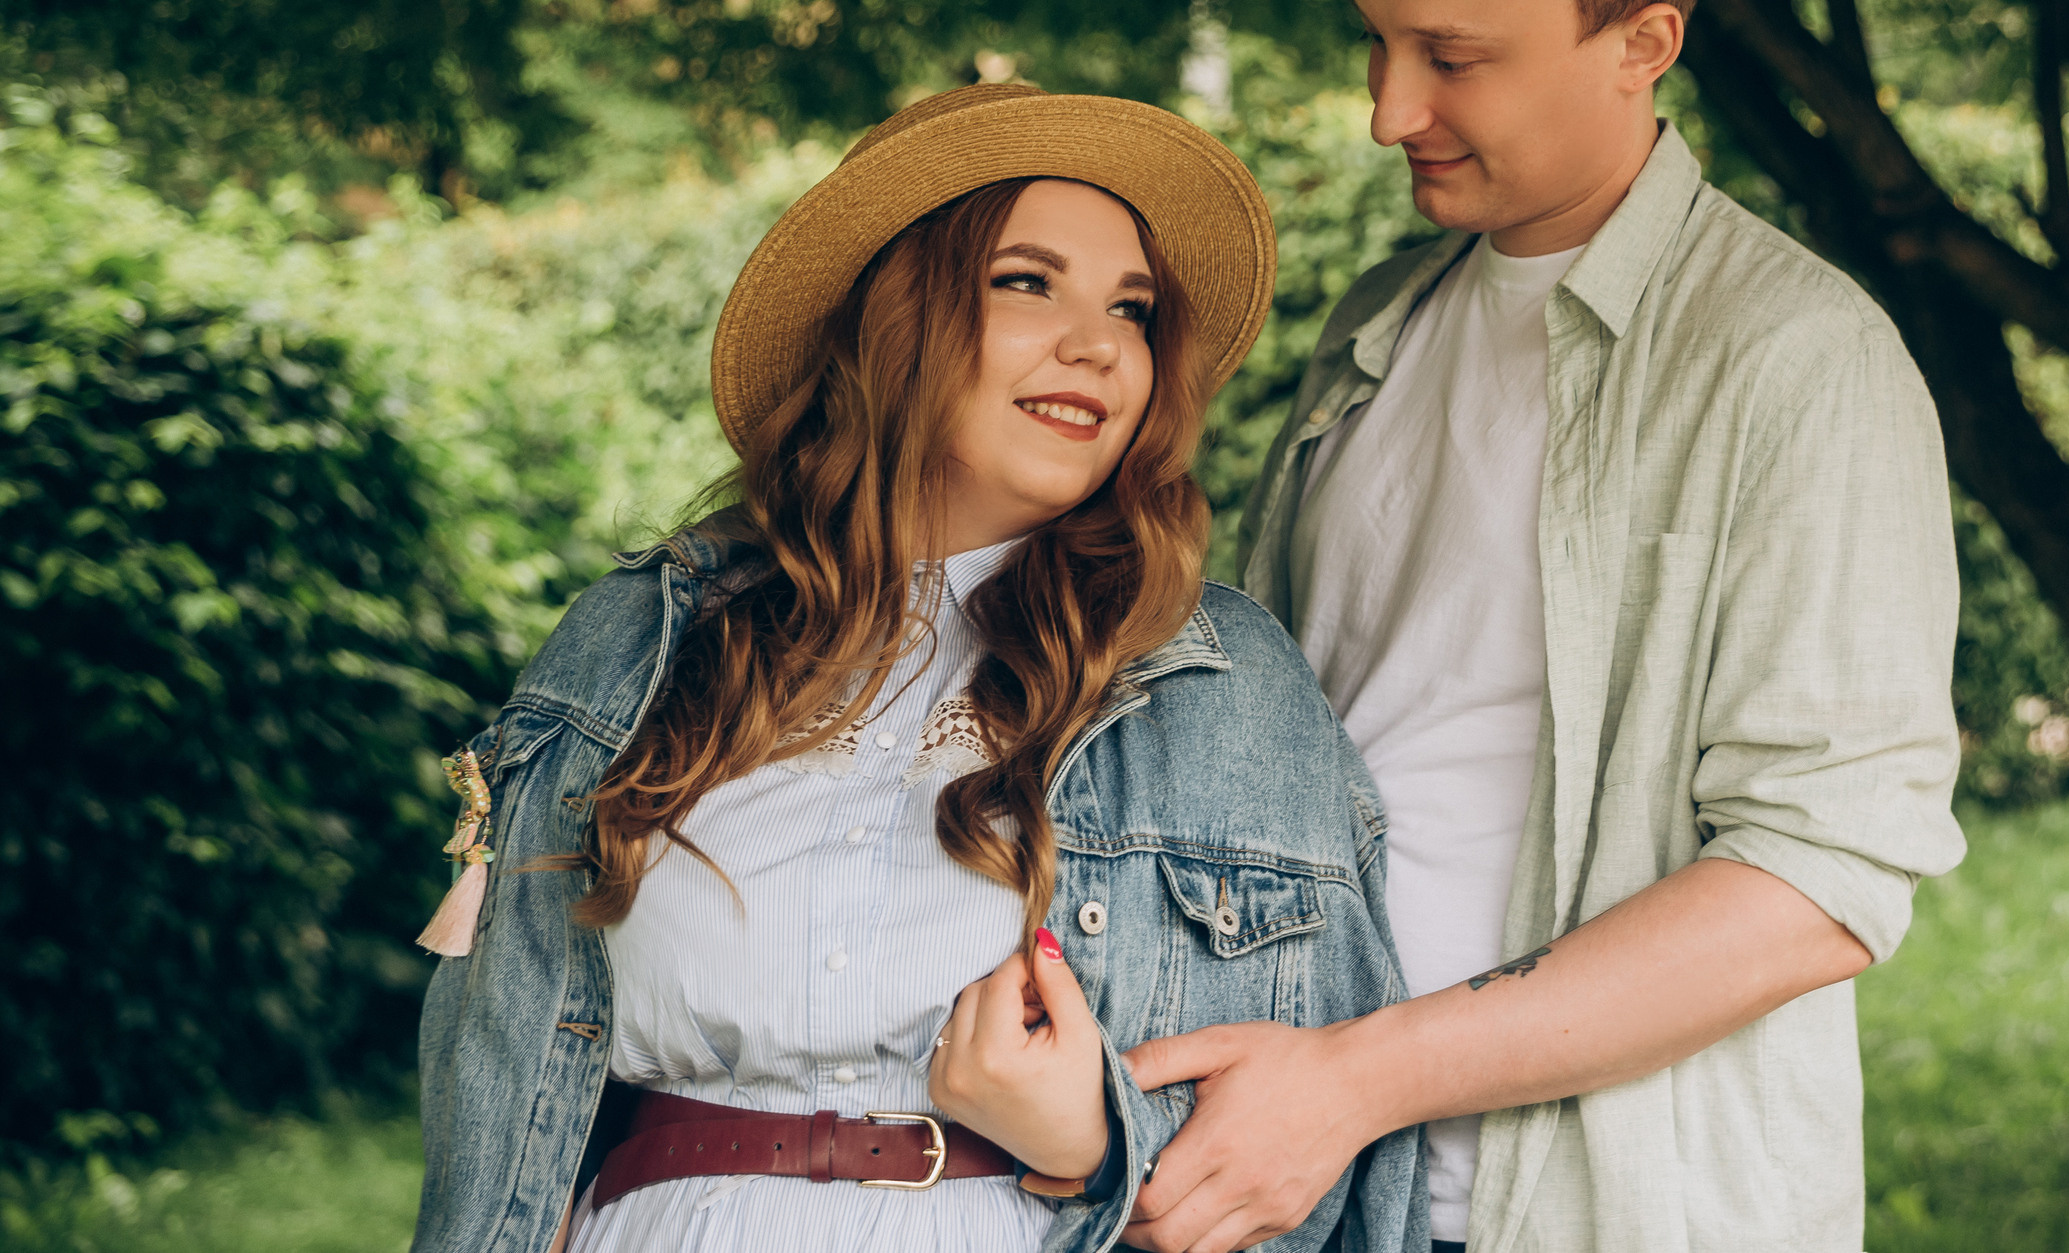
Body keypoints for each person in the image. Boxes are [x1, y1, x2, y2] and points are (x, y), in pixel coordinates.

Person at [1116, 0, 1966, 1253]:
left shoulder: (1801, 360)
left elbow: (1816, 879)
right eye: (1376, 45)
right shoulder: (1375, 328)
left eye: (1452, 56)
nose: (1391, 112)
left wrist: (1357, 1080)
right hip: (1297, 1195)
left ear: (1643, 46)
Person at [408, 83, 1429, 1253]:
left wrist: (1097, 1144)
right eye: (1025, 281)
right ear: (893, 317)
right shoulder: (642, 638)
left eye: (1132, 309)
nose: (1097, 344)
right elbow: (500, 1093)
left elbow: (1319, 1182)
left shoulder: (1217, 679)